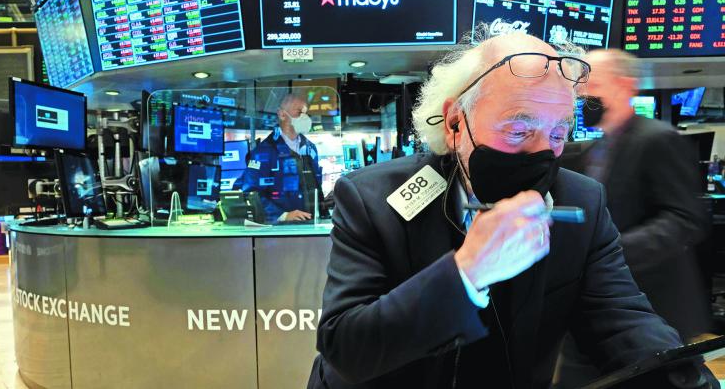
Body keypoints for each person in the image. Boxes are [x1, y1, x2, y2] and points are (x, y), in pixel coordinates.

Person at [307, 31, 717, 388]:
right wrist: (467, 271)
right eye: (519, 129)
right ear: (454, 123)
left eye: (558, 132)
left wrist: (681, 378)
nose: (542, 151)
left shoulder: (582, 202)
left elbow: (623, 323)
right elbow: (347, 346)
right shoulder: (372, 198)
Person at [554, 49, 713, 386]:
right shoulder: (592, 149)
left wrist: (609, 251)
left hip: (653, 305)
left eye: (593, 82)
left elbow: (683, 219)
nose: (583, 92)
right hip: (596, 304)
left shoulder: (658, 139)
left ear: (626, 86)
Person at [242, 93, 324, 223]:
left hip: (310, 222)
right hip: (281, 229)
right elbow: (250, 192)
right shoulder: (264, 151)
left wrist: (323, 205)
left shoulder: (310, 148)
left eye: (305, 113)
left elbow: (313, 186)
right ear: (282, 114)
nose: (304, 117)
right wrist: (282, 215)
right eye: (299, 112)